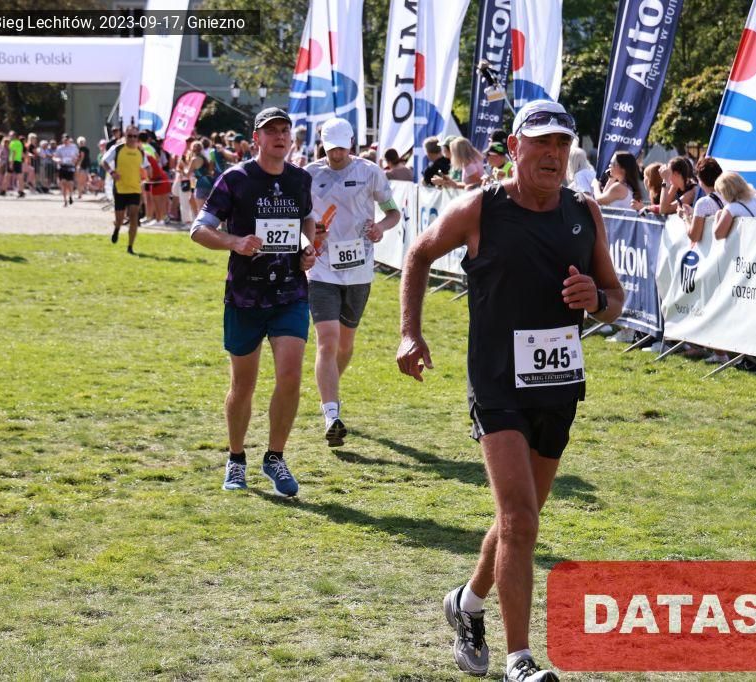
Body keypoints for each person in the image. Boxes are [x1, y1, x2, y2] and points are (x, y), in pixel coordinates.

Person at [396, 99, 624, 682]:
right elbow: (418, 254)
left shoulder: (584, 212)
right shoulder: (481, 208)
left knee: (518, 519)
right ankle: (520, 661)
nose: (553, 154)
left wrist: (596, 300)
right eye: (541, 142)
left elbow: (615, 300)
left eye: (562, 144)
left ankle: (467, 602)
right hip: (497, 382)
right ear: (515, 147)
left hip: (558, 384)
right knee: (521, 520)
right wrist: (410, 333)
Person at [189, 107, 318, 496]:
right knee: (243, 384)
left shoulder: (300, 179)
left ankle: (275, 457)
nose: (279, 136)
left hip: (290, 293)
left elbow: (306, 220)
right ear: (256, 138)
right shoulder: (236, 179)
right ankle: (236, 457)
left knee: (290, 375)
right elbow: (199, 229)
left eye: (284, 130)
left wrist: (307, 246)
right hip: (245, 297)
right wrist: (235, 242)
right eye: (270, 131)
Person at [304, 118, 401, 447]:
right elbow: (298, 216)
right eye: (331, 149)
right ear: (323, 145)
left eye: (342, 149)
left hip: (359, 270)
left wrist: (380, 228)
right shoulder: (309, 174)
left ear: (352, 144)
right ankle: (331, 415)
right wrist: (310, 231)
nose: (337, 155)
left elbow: (392, 211)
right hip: (321, 270)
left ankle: (329, 386)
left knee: (345, 345)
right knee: (327, 341)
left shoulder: (370, 172)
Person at [100, 125, 150, 254]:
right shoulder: (117, 149)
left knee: (134, 217)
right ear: (125, 136)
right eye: (130, 136)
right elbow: (104, 161)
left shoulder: (140, 152)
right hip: (120, 189)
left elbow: (147, 167)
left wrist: (148, 174)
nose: (132, 139)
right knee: (120, 219)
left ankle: (130, 246)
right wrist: (112, 172)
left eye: (135, 136)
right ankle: (117, 229)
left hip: (135, 189)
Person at [711, 171, 756, 239]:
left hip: (750, 244)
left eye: (720, 193)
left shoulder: (731, 208)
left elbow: (718, 235)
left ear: (726, 192)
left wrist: (718, 215)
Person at [679, 156, 724, 243]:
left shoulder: (703, 203)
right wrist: (693, 212)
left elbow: (694, 237)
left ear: (700, 181)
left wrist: (685, 217)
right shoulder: (729, 197)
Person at [54, 134, 79, 206]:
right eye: (64, 140)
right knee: (63, 183)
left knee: (70, 183)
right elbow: (55, 157)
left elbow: (77, 156)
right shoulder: (59, 148)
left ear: (69, 140)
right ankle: (65, 200)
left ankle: (70, 195)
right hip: (62, 166)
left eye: (66, 140)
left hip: (70, 166)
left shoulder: (73, 147)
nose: (65, 141)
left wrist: (75, 160)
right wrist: (57, 160)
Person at [6, 131, 25, 198]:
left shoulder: (13, 143)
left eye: (11, 135)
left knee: (7, 176)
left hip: (13, 161)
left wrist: (11, 163)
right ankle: (21, 191)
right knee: (20, 177)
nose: (10, 137)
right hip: (18, 160)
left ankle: (3, 190)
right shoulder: (19, 142)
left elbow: (13, 153)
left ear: (14, 136)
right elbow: (21, 153)